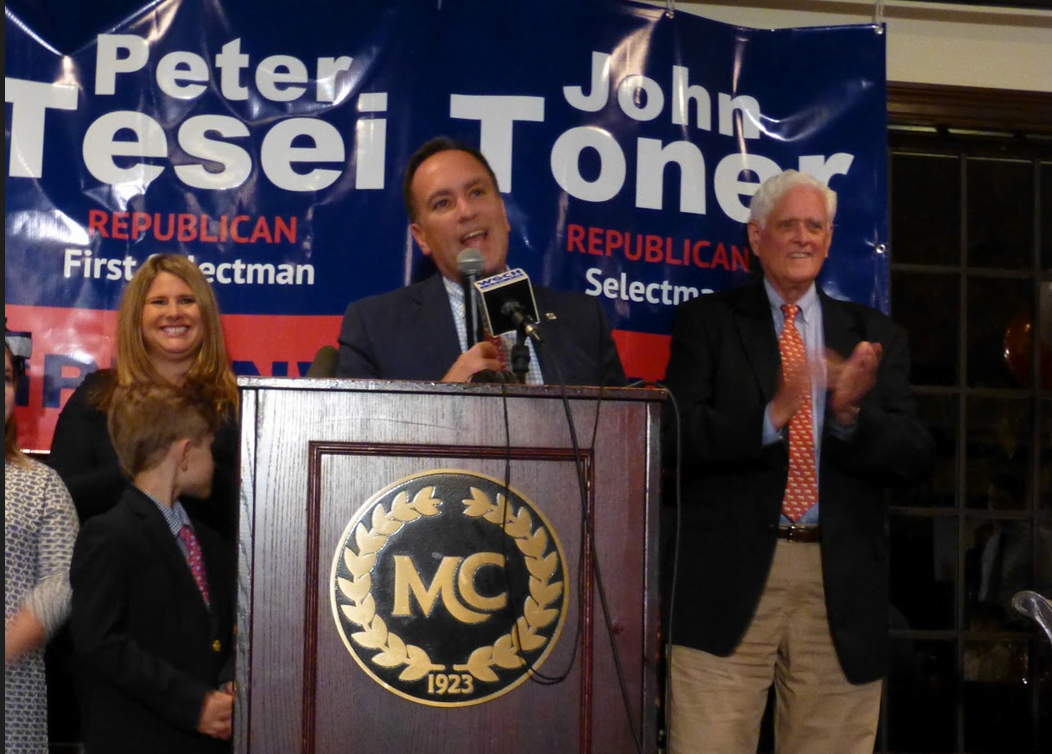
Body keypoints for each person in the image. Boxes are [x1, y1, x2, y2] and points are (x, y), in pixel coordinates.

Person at [662, 170, 934, 753]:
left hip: (838, 582)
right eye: (788, 225)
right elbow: (674, 438)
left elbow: (914, 452)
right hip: (726, 581)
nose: (803, 238)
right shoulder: (707, 324)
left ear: (831, 239)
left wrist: (847, 417)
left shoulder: (874, 335)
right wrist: (772, 413)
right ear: (756, 237)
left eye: (816, 226)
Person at [336, 136, 626, 386]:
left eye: (476, 192)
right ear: (421, 237)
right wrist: (442, 403)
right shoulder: (375, 329)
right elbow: (354, 444)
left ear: (502, 210)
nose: (466, 211)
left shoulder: (584, 321)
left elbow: (625, 436)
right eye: (443, 203)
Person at [70, 382, 235, 754]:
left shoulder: (207, 540)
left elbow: (220, 633)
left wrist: (227, 683)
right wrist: (194, 704)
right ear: (185, 453)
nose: (214, 460)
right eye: (209, 445)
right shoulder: (110, 534)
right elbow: (99, 642)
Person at [48, 254, 240, 541]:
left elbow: (249, 509)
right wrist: (152, 470)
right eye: (159, 302)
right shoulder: (98, 395)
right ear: (136, 316)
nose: (174, 312)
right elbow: (60, 500)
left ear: (207, 314)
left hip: (210, 576)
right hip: (115, 569)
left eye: (187, 300)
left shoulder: (236, 404)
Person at [5, 331, 80, 754]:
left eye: (5, 377)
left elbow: (64, 579)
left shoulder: (41, 485)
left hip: (13, 694)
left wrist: (12, 640)